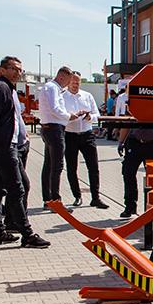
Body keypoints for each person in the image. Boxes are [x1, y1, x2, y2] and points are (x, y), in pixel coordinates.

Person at [0, 56, 50, 248]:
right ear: (2, 70)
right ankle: (27, 234)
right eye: (14, 69)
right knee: (18, 187)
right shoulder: (0, 88)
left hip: (7, 145)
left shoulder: (7, 88)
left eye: (20, 69)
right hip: (3, 147)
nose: (18, 73)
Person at [38, 66, 82, 206]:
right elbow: (55, 108)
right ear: (62, 77)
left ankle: (48, 199)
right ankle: (55, 200)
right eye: (68, 80)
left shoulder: (51, 87)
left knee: (49, 165)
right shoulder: (52, 88)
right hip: (54, 129)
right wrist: (69, 116)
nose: (69, 84)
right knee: (56, 166)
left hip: (50, 128)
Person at [64, 72, 109, 209]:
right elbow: (59, 115)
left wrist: (90, 117)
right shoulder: (62, 96)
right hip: (70, 135)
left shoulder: (87, 96)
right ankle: (77, 196)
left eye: (77, 82)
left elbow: (97, 114)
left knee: (93, 167)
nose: (75, 85)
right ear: (68, 82)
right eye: (73, 82)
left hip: (87, 134)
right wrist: (71, 116)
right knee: (71, 167)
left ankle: (95, 197)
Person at [118, 127, 153, 218]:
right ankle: (130, 206)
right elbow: (127, 124)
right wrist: (121, 142)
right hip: (134, 142)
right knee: (128, 173)